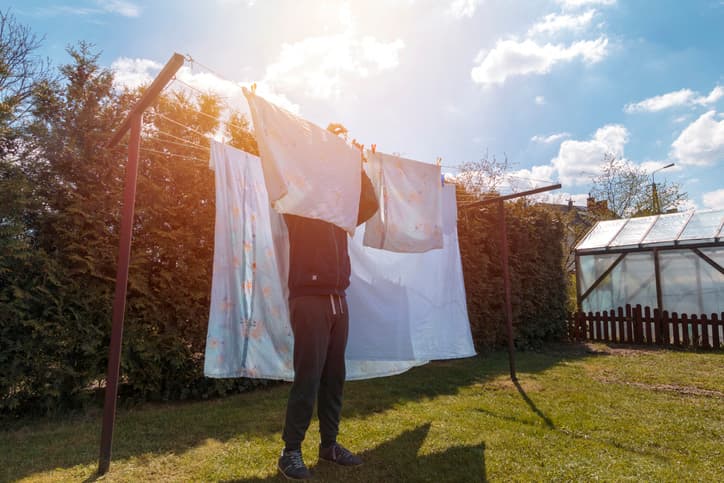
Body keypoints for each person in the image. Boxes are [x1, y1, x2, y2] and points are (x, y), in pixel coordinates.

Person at [277, 168, 379, 480]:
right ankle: (290, 452)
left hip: (338, 300)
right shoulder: (298, 208)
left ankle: (329, 446)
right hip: (309, 300)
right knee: (308, 377)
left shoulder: (341, 215)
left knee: (334, 377)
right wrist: (318, 160)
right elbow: (287, 179)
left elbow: (370, 204)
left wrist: (355, 165)